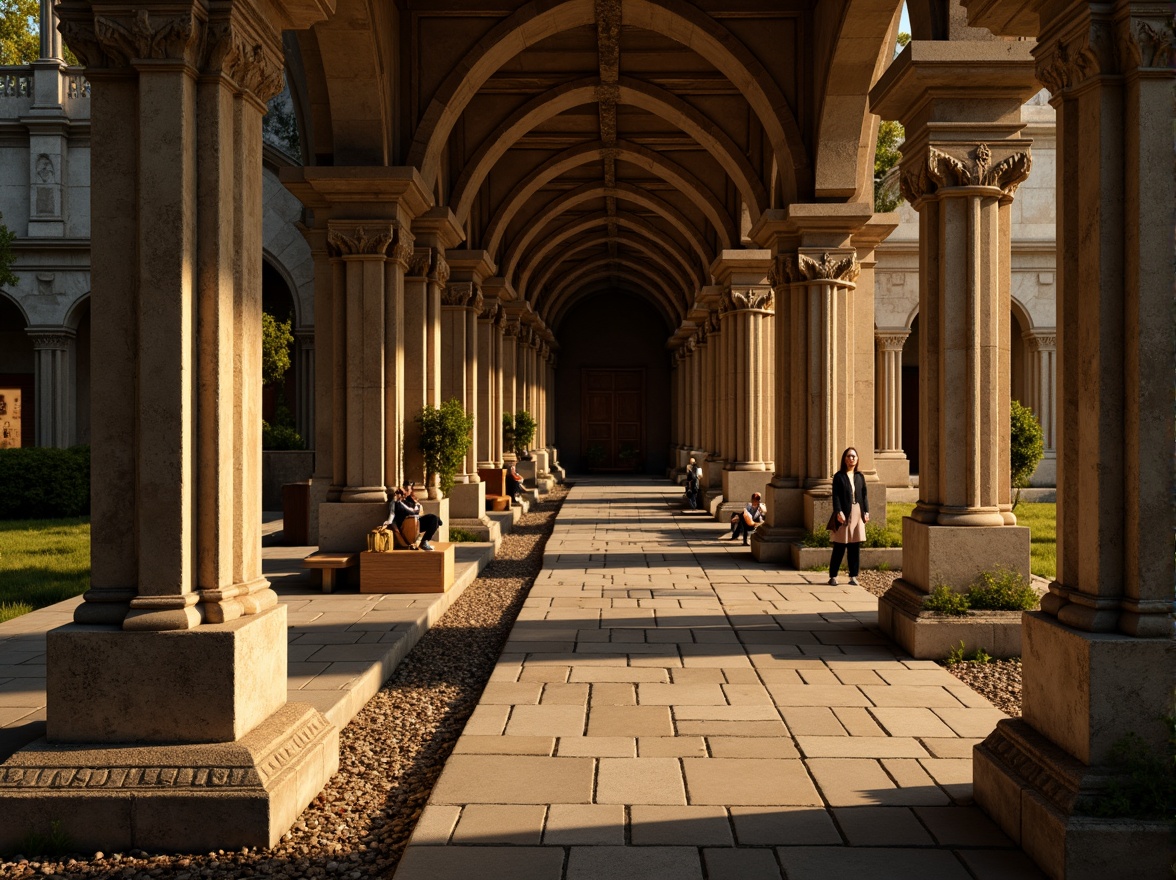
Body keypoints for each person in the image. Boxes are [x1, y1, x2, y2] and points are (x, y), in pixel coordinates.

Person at [829, 446, 869, 585]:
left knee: (854, 545)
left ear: (857, 459)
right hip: (844, 513)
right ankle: (833, 576)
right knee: (840, 545)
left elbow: (864, 496)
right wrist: (838, 511)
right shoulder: (839, 476)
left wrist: (866, 512)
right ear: (844, 459)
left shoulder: (860, 476)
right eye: (849, 456)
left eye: (854, 456)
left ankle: (853, 576)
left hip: (858, 511)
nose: (851, 458)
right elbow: (836, 496)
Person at [380, 482, 443, 551]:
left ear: (410, 491)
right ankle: (437, 522)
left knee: (433, 519)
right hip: (406, 527)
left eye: (407, 490)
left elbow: (416, 511)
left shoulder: (410, 501)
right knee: (435, 520)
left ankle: (424, 541)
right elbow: (392, 515)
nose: (404, 492)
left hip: (416, 523)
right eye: (404, 489)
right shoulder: (396, 503)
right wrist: (389, 522)